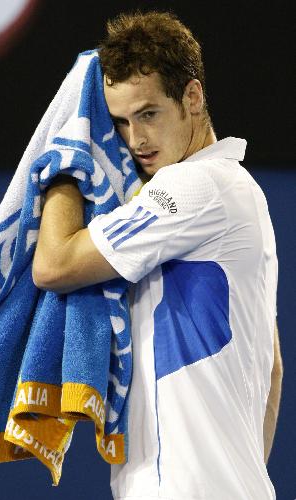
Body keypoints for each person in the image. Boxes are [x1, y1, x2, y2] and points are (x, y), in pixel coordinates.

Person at [32, 10, 283, 500]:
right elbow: (273, 366)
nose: (136, 140)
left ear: (192, 96)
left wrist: (67, 160)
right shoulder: (236, 190)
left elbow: (54, 264)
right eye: (121, 121)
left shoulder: (195, 185)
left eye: (148, 113)